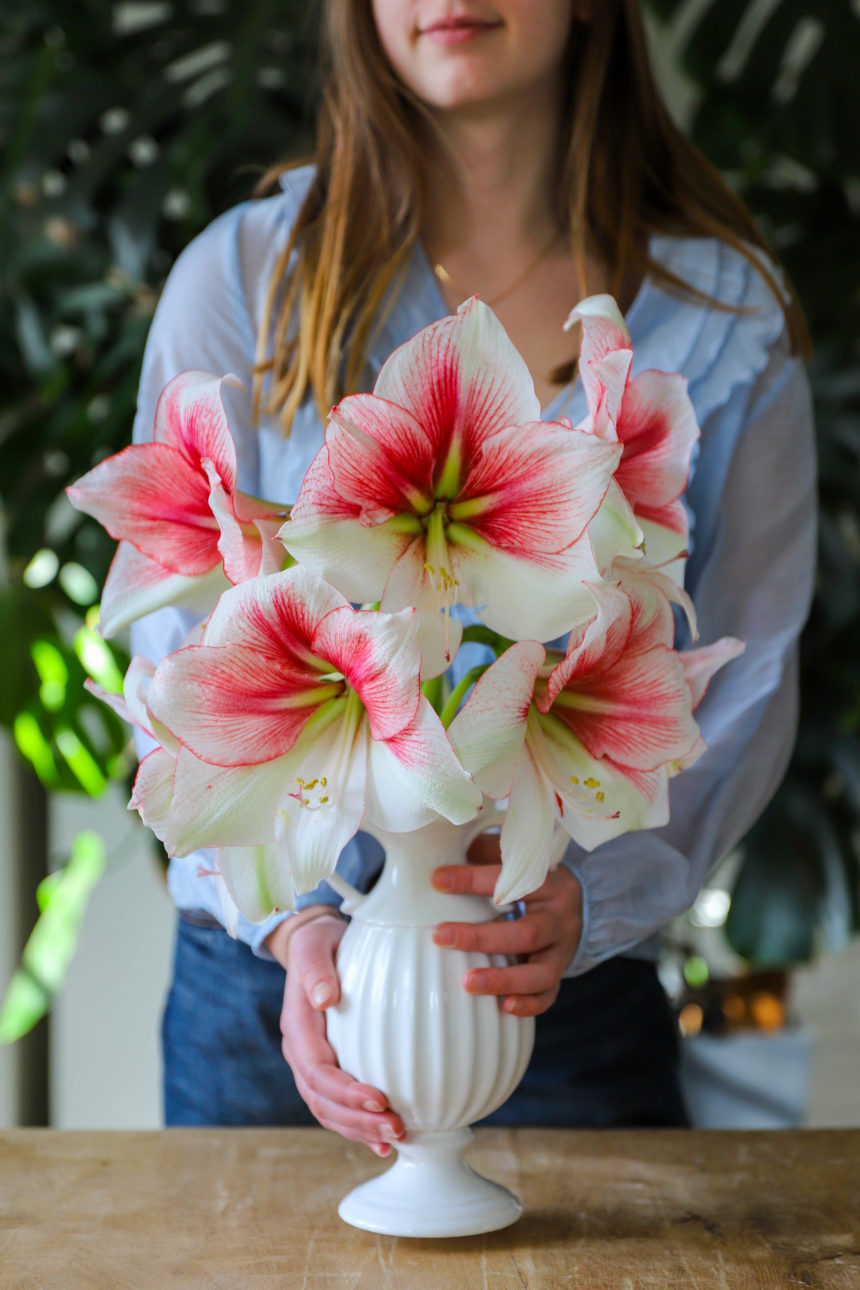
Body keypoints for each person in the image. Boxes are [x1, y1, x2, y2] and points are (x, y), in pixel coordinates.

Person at [130, 0, 816, 1152]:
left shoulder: (727, 314)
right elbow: (169, 649)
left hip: (554, 991)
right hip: (267, 1000)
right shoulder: (244, 276)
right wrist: (299, 927)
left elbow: (745, 674)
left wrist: (588, 903)